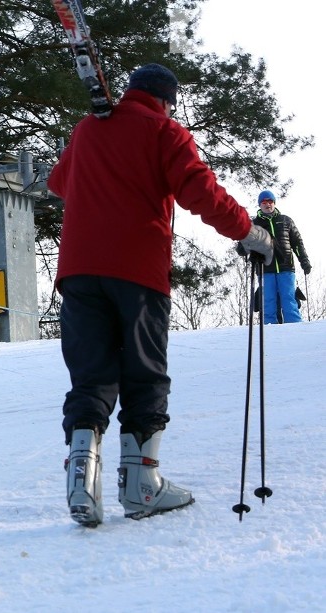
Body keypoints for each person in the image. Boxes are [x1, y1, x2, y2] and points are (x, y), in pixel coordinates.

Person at [47, 63, 274, 527]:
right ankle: (141, 486)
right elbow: (201, 191)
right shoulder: (164, 131)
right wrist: (249, 232)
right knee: (145, 374)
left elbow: (58, 182)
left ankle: (81, 487)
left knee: (90, 377)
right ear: (167, 100)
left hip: (78, 271)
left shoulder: (89, 128)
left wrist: (100, 157)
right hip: (137, 271)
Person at [252, 190, 311, 323]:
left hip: (286, 267)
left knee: (289, 299)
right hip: (264, 269)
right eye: (264, 202)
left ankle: (296, 327)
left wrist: (304, 261)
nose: (268, 204)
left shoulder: (286, 220)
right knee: (268, 301)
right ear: (260, 205)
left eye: (270, 201)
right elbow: (246, 243)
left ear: (274, 203)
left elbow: (297, 243)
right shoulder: (254, 224)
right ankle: (269, 330)